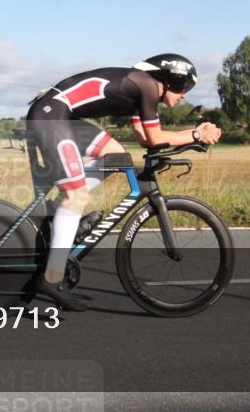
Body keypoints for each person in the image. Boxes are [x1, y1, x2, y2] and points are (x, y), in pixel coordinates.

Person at [25, 53, 222, 311]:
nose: (185, 95)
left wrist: (193, 136)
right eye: (185, 87)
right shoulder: (148, 86)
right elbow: (154, 138)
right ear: (171, 80)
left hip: (59, 114)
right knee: (77, 196)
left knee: (115, 154)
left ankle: (66, 214)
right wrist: (196, 133)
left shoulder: (141, 88)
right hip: (51, 117)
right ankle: (52, 277)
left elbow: (145, 138)